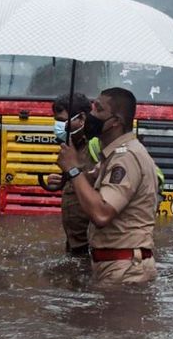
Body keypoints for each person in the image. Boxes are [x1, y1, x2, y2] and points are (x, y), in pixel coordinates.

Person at [56, 87, 159, 285]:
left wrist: (73, 170)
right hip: (116, 266)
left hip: (125, 270)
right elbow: (93, 184)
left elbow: (102, 214)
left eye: (99, 110)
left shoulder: (125, 157)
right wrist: (68, 176)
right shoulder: (113, 155)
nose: (91, 115)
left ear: (116, 122)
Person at [47, 93, 97, 255]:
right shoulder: (69, 147)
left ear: (82, 118)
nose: (58, 126)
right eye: (56, 121)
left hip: (93, 244)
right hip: (75, 243)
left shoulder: (96, 145)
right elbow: (76, 182)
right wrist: (61, 181)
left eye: (62, 121)